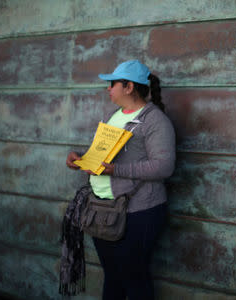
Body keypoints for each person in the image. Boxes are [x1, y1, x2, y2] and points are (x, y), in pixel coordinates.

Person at [65, 60, 176, 300]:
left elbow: (164, 166)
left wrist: (116, 170)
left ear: (129, 87)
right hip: (102, 209)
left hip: (137, 211)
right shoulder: (112, 115)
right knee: (113, 277)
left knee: (134, 278)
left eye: (112, 84)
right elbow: (104, 155)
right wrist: (82, 158)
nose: (108, 89)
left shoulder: (155, 121)